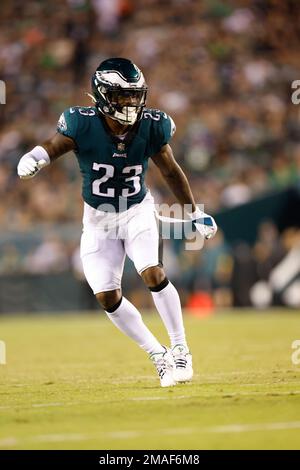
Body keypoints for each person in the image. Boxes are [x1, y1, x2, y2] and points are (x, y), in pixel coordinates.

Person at [17, 58, 217, 387]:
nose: (132, 103)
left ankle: (181, 349)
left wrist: (194, 212)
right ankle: (159, 355)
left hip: (136, 210)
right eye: (124, 96)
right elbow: (54, 146)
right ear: (103, 95)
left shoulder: (152, 126)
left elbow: (170, 171)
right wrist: (35, 156)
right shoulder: (81, 123)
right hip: (98, 223)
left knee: (152, 271)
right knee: (106, 296)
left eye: (136, 96)